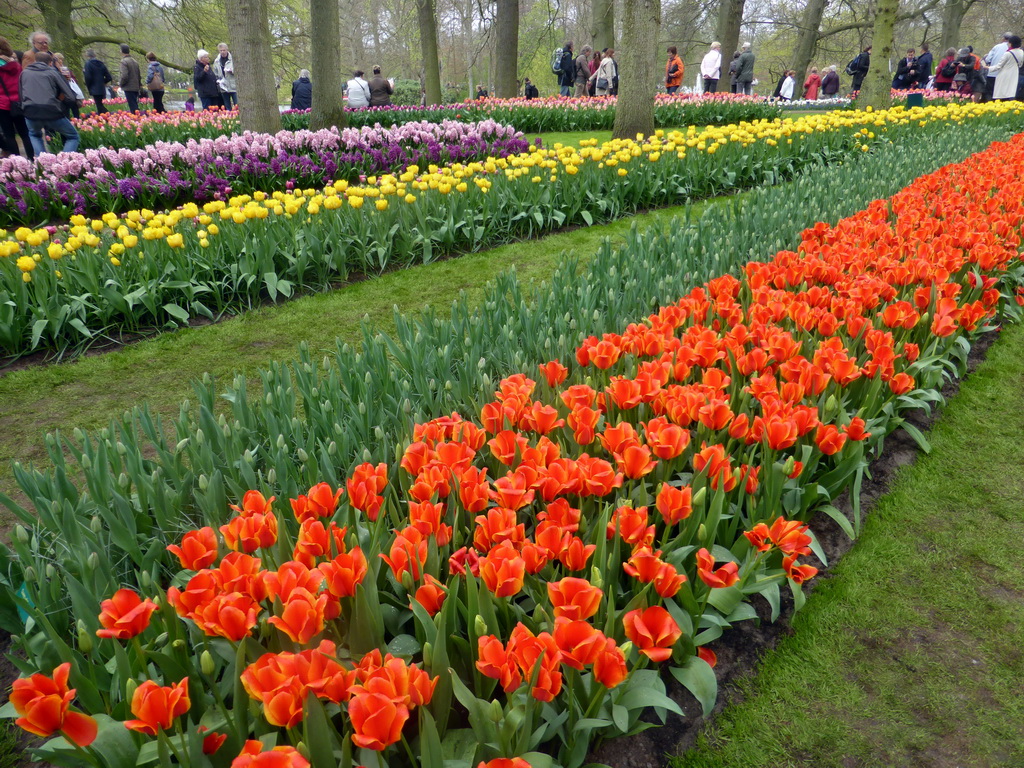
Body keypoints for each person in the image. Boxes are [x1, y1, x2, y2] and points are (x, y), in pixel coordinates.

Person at [18, 51, 79, 153]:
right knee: (72, 136)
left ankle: (43, 164)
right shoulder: (53, 73)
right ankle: (64, 163)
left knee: (35, 135)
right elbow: (70, 96)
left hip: (30, 110)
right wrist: (62, 107)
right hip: (51, 110)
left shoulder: (24, 73)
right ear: (50, 62)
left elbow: (21, 94)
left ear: (35, 61)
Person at [0, 36, 33, 159]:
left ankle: (17, 162)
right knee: (25, 133)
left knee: (9, 135)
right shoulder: (16, 65)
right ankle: (32, 159)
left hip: (2, 104)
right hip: (18, 103)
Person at [985, 35, 1023, 101]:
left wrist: (988, 68)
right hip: (1015, 73)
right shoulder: (1021, 52)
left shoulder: (1008, 53)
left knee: (1002, 92)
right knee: (1011, 91)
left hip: (1005, 74)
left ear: (1011, 43)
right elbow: (1020, 64)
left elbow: (999, 66)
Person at [983, 33, 1011, 102]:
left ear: (1003, 38)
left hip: (993, 74)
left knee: (990, 93)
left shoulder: (997, 47)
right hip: (1006, 76)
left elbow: (988, 59)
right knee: (1003, 95)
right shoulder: (1012, 48)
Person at [53, 53, 82, 118]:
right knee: (65, 109)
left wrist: (70, 78)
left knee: (74, 106)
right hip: (62, 92)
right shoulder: (54, 70)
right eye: (59, 60)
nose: (61, 61)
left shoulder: (65, 68)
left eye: (62, 60)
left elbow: (73, 78)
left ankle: (77, 120)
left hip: (70, 90)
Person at [83, 49, 111, 114]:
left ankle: (107, 115)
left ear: (87, 55)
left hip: (93, 87)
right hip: (101, 88)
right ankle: (104, 116)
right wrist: (102, 82)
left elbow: (88, 77)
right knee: (99, 104)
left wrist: (89, 85)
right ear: (95, 55)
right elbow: (109, 77)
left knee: (99, 105)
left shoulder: (88, 64)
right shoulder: (101, 64)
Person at [213, 43, 237, 109]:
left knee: (237, 105)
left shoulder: (233, 59)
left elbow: (239, 71)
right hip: (223, 87)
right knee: (227, 106)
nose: (222, 52)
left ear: (227, 50)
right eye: (221, 50)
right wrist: (218, 81)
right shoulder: (216, 61)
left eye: (224, 50)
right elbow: (215, 74)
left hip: (233, 86)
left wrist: (232, 71)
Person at [118, 44, 141, 113]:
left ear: (122, 51)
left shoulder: (124, 61)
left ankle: (137, 120)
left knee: (133, 107)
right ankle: (139, 119)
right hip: (136, 86)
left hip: (128, 87)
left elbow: (124, 76)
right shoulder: (135, 61)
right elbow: (138, 75)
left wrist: (121, 84)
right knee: (135, 105)